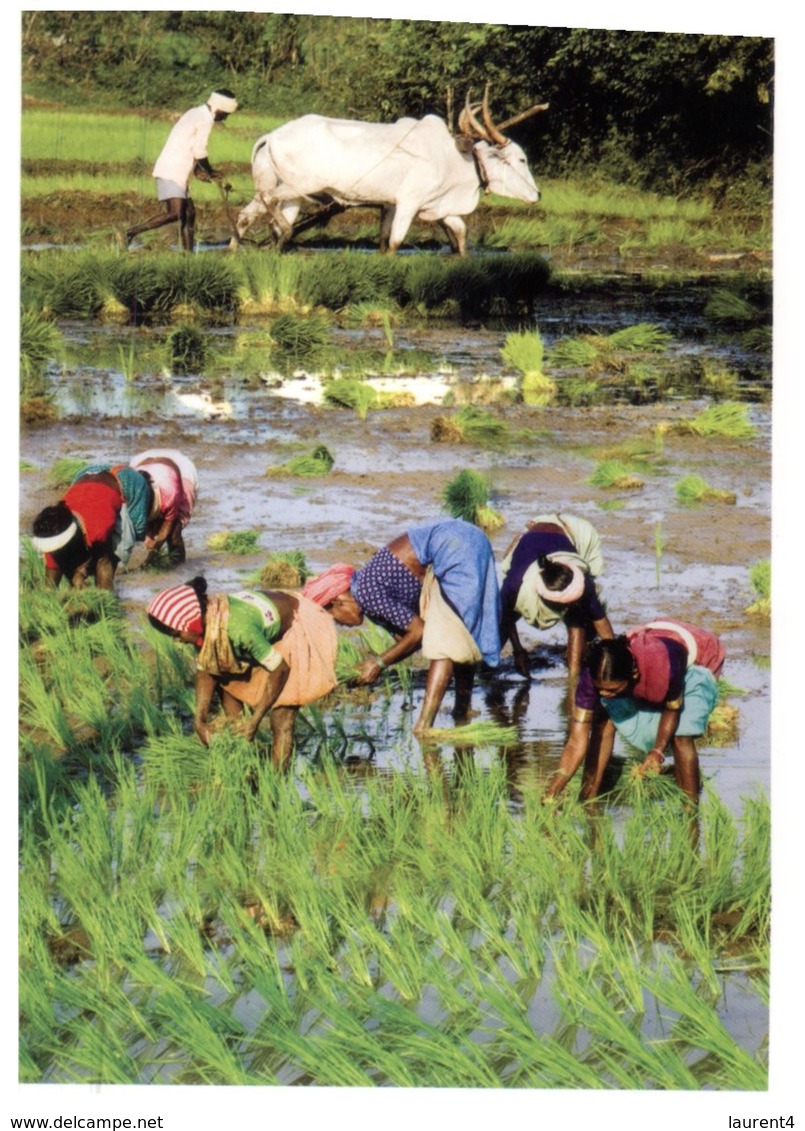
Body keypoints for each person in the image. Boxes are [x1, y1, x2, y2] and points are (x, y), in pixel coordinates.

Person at [302, 518, 501, 733]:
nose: (341, 625)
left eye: (333, 617)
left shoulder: (367, 594)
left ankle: (424, 727)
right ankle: (461, 712)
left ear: (338, 601)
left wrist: (378, 663)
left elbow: (420, 632)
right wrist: (377, 664)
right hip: (466, 539)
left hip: (455, 546)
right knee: (458, 634)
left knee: (446, 639)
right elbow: (412, 639)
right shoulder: (369, 593)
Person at [147, 577, 338, 768]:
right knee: (230, 701)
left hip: (295, 624)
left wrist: (255, 720)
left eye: (176, 634)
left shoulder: (238, 628)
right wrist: (200, 721)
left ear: (192, 623)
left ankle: (278, 782)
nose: (176, 640)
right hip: (259, 631)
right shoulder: (210, 623)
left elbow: (280, 669)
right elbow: (206, 669)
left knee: (281, 718)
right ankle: (245, 764)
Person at [543, 619, 726, 804]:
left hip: (698, 657)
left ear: (634, 675)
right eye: (600, 689)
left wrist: (657, 752)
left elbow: (673, 709)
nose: (605, 694)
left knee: (681, 736)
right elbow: (576, 742)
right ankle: (586, 799)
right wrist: (552, 791)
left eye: (613, 689)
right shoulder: (591, 679)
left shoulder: (662, 668)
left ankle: (690, 810)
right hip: (654, 641)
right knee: (603, 720)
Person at [499, 513, 614, 680]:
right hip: (534, 538)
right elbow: (504, 616)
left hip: (574, 532)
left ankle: (574, 675)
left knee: (577, 616)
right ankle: (485, 665)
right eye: (561, 606)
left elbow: (601, 621)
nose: (565, 609)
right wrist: (518, 651)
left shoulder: (582, 584)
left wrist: (613, 656)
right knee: (501, 623)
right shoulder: (516, 583)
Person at [125, 89, 238, 252]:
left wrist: (198, 171)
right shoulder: (206, 120)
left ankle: (188, 254)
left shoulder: (195, 112)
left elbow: (187, 145)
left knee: (189, 214)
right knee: (175, 213)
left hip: (178, 168)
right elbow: (199, 150)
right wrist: (210, 171)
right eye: (226, 114)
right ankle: (131, 232)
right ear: (219, 108)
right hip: (173, 169)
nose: (226, 118)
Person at [30, 463, 153, 590]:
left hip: (128, 482)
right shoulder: (51, 531)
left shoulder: (97, 528)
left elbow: (103, 562)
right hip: (86, 474)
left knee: (133, 535)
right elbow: (50, 579)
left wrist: (102, 602)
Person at [130, 449, 199, 567]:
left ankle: (178, 567)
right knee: (149, 535)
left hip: (182, 470)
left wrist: (152, 554)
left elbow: (168, 524)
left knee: (174, 533)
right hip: (143, 461)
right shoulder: (131, 488)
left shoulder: (171, 493)